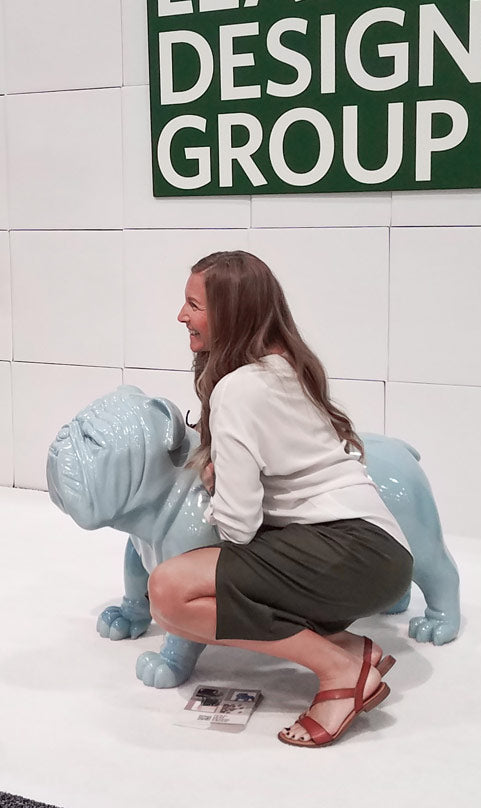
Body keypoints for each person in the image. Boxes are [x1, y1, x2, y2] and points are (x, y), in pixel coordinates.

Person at [149, 250, 413, 748]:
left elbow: (239, 526)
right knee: (209, 584)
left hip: (350, 550)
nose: (181, 317)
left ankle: (340, 672)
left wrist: (218, 486)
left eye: (193, 305)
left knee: (168, 593)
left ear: (231, 312)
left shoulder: (238, 389)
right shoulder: (284, 367)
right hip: (376, 551)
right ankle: (350, 651)